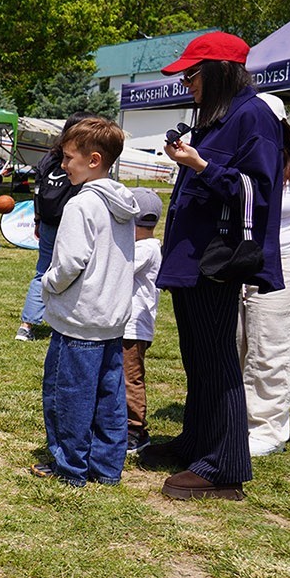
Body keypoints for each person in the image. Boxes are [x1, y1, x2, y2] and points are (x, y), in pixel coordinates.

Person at [152, 31, 283, 502]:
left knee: (218, 359)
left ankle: (225, 468)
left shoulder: (254, 116)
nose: (185, 82)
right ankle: (197, 442)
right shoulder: (218, 116)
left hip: (217, 260)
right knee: (198, 357)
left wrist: (204, 166)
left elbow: (258, 193)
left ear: (218, 72)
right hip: (192, 259)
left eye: (192, 73)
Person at [30, 119, 139, 488]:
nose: (63, 165)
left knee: (68, 396)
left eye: (68, 157)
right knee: (109, 396)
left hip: (79, 320)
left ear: (94, 160)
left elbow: (70, 263)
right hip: (111, 317)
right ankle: (107, 467)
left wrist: (48, 283)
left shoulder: (82, 205)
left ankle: (70, 467)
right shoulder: (124, 202)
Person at [237, 92, 290, 457]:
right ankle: (236, 418)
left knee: (272, 345)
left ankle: (267, 428)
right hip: (239, 260)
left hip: (282, 259)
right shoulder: (241, 159)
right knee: (235, 341)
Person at [16, 113, 87, 341]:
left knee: (42, 272)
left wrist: (38, 220)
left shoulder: (49, 158)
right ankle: (69, 324)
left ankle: (26, 326)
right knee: (76, 272)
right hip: (71, 223)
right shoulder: (83, 159)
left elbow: (37, 191)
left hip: (47, 221)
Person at [124, 188, 164, 456]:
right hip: (127, 324)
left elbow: (118, 270)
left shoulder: (145, 249)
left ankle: (136, 430)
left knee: (130, 378)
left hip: (134, 326)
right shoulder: (147, 245)